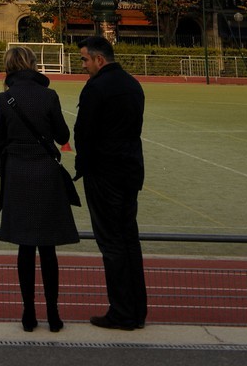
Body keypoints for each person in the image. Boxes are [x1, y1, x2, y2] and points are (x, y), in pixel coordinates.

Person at [0, 45, 78, 333]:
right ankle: (53, 314)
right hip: (46, 173)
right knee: (48, 248)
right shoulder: (49, 95)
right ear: (33, 64)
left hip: (17, 173)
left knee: (25, 248)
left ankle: (28, 313)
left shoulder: (5, 98)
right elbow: (63, 136)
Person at [74, 34, 147, 331]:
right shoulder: (133, 85)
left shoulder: (96, 87)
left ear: (99, 59)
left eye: (84, 59)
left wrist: (83, 165)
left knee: (111, 242)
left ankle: (122, 312)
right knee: (129, 239)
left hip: (105, 173)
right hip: (130, 170)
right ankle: (137, 309)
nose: (83, 65)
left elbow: (84, 133)